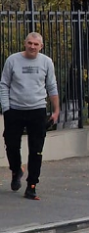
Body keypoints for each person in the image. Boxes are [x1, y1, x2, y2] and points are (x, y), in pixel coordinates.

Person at [0, 32, 59, 199]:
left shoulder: (46, 62)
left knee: (36, 150)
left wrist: (56, 110)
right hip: (15, 110)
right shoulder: (13, 60)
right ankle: (16, 169)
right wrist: (6, 109)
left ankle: (32, 185)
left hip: (37, 110)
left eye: (36, 44)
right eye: (30, 43)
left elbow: (52, 86)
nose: (32, 46)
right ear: (25, 43)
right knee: (11, 145)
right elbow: (4, 84)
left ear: (41, 46)